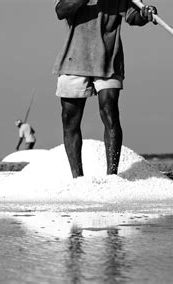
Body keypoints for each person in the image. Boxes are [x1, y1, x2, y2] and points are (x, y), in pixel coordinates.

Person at [53, 0, 157, 178]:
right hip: (75, 59)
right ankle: (77, 178)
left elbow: (135, 18)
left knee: (109, 110)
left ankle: (112, 177)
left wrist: (146, 13)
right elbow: (61, 10)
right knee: (69, 118)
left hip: (108, 59)